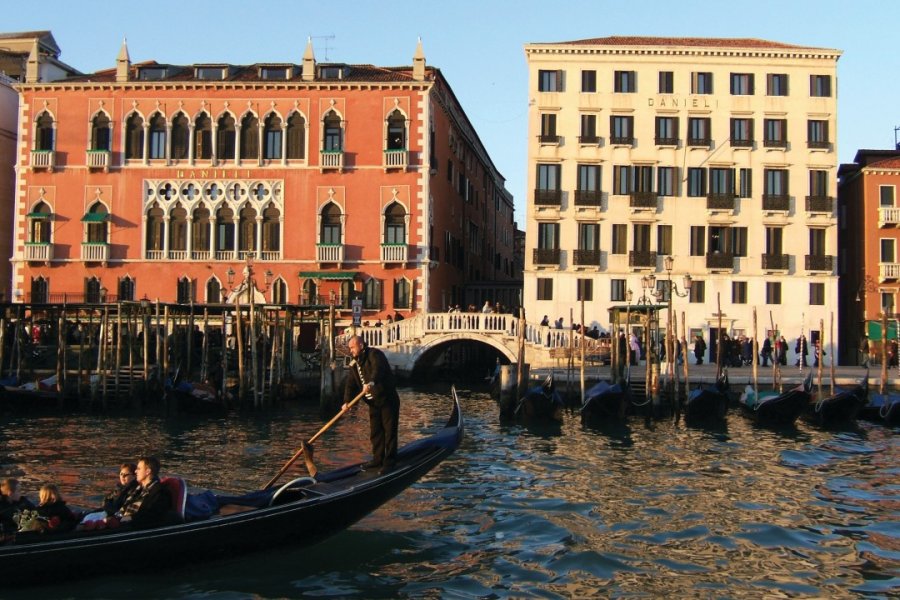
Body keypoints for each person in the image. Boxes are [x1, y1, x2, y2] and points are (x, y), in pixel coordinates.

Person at [343, 335, 401, 475]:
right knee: (376, 432)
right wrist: (346, 402)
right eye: (350, 348)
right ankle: (377, 459)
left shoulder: (375, 354)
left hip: (388, 399)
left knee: (389, 431)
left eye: (352, 347)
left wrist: (372, 382)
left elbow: (378, 369)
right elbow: (350, 384)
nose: (351, 351)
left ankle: (390, 462)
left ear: (361, 345)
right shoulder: (354, 364)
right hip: (373, 403)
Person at [115, 456, 172, 529]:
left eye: (138, 469)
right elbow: (125, 507)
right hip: (124, 523)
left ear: (148, 471)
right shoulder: (138, 489)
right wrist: (115, 518)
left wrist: (120, 520)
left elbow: (146, 516)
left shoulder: (160, 492)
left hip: (135, 527)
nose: (135, 471)